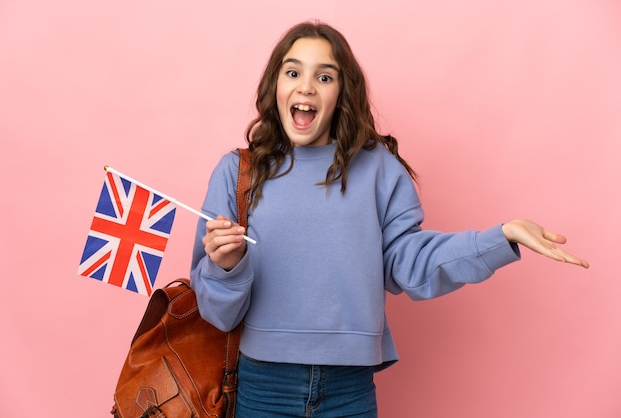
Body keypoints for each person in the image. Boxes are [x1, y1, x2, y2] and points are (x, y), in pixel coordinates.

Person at [190, 21, 589, 418]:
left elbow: (411, 264)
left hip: (349, 390)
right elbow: (217, 313)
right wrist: (227, 267)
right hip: (263, 387)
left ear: (342, 91)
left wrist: (501, 237)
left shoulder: (378, 168)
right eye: (293, 72)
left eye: (324, 76)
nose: (306, 86)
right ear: (275, 85)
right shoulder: (238, 173)